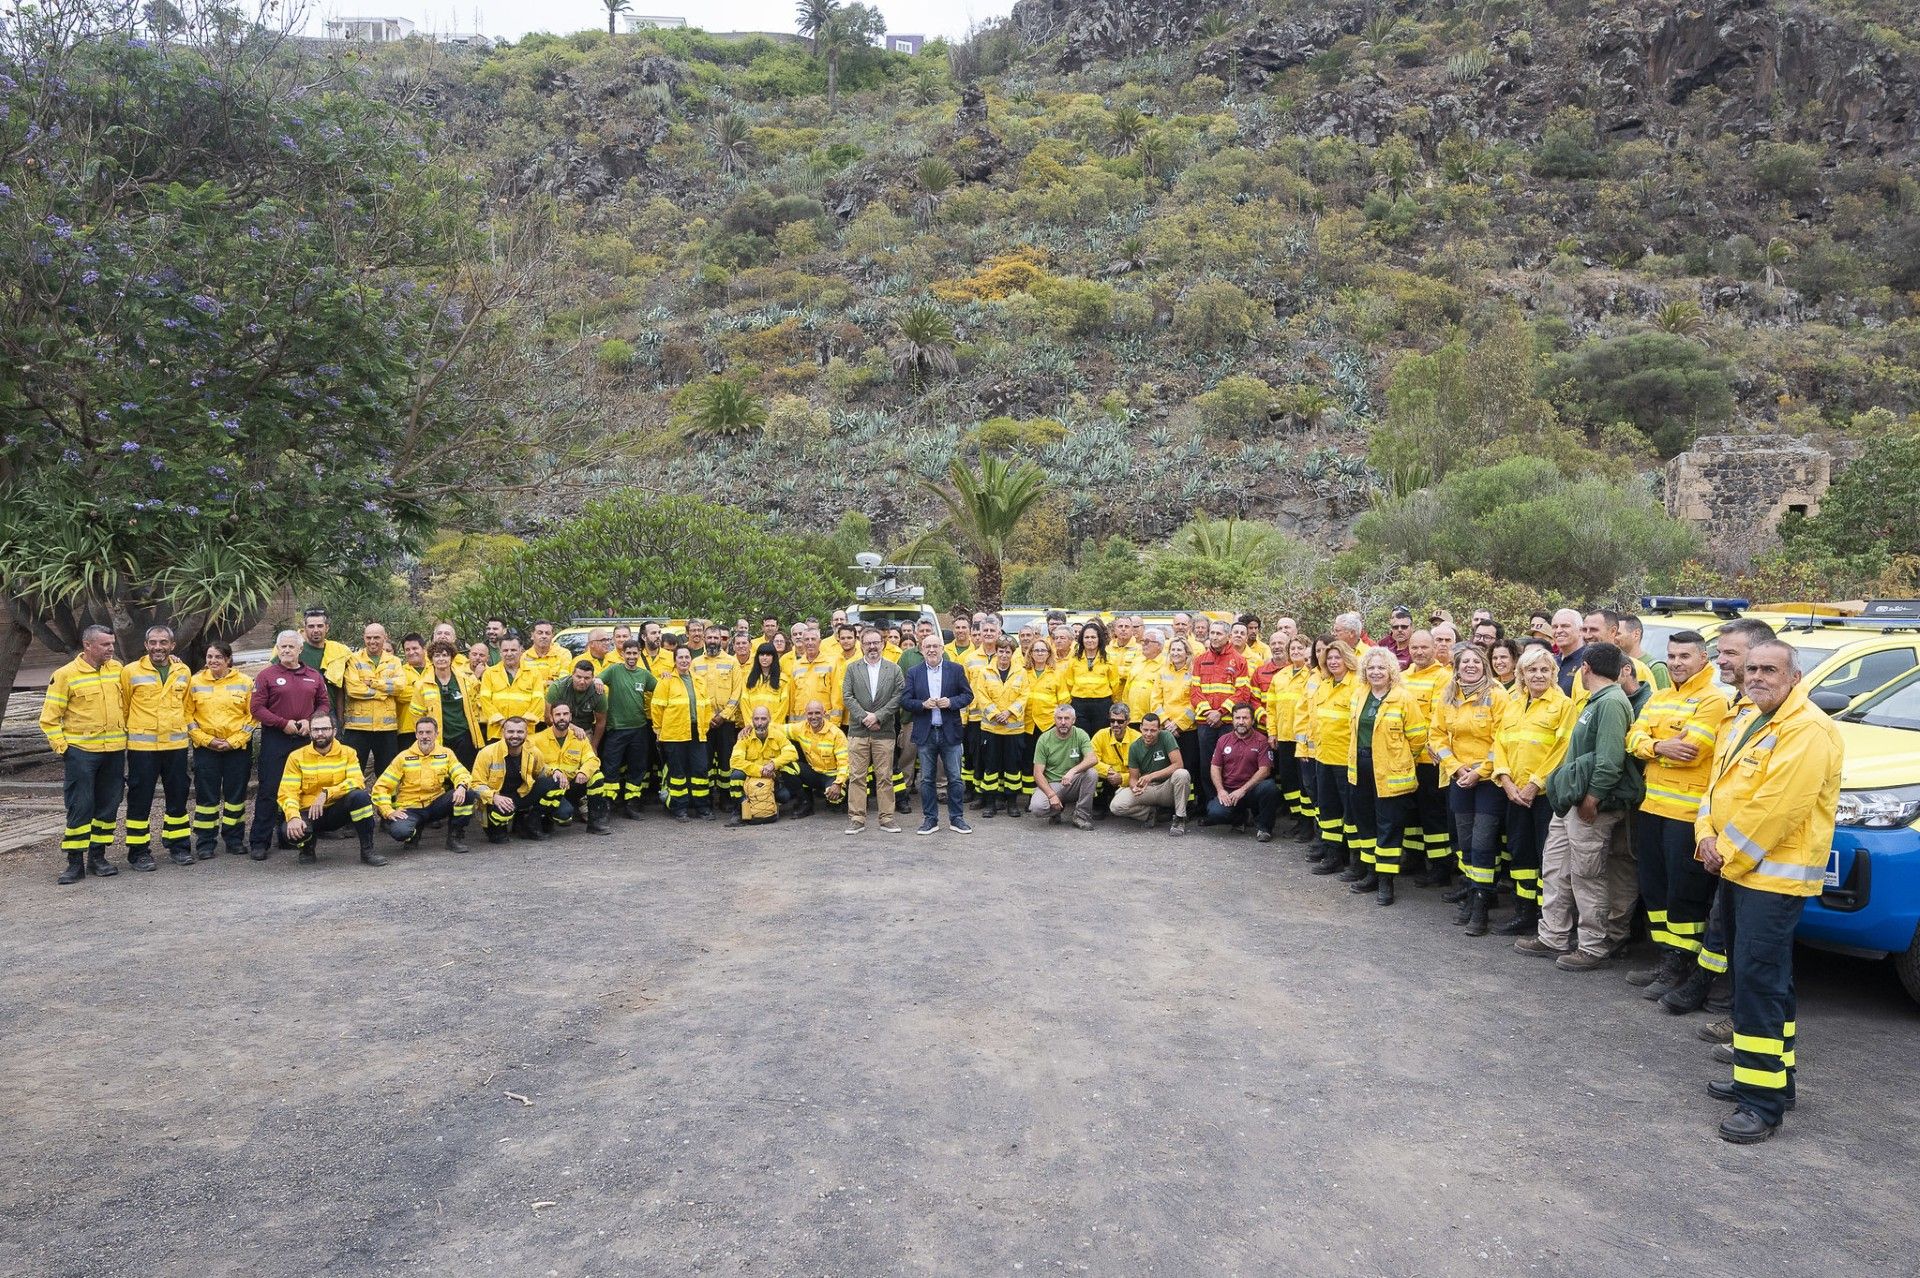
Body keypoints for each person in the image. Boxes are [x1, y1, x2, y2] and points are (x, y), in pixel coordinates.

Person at [1693, 640, 1842, 1143]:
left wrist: (1723, 851)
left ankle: (1760, 1103)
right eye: (1751, 668)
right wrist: (1705, 836)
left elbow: (1778, 809)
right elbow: (1714, 790)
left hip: (1774, 880)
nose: (1756, 676)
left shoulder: (1807, 729)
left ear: (1794, 675)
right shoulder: (1746, 719)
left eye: (1768, 669)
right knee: (1766, 978)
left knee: (1758, 983)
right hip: (1740, 872)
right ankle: (1776, 1080)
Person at [1659, 616, 1779, 1019]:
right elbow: (1718, 783)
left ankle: (1729, 1004)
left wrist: (1724, 846)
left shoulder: (1792, 721)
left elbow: (1773, 802)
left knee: (1752, 941)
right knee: (1719, 923)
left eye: (1731, 653)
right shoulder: (1739, 710)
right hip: (1722, 842)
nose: (1721, 661)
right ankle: (1708, 986)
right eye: (1720, 652)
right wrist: (1707, 834)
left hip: (1755, 850)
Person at [1515, 642, 1643, 971]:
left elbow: (1610, 761)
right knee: (1556, 867)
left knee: (1588, 875)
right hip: (1571, 801)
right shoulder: (1595, 700)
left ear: (1585, 668)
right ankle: (1553, 934)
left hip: (1590, 805)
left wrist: (1592, 799)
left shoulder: (1612, 702)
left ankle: (1592, 945)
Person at [1624, 630, 1732, 998]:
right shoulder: (1659, 697)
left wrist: (1652, 744)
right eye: (1671, 656)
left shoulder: (1713, 701)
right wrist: (1657, 744)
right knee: (1654, 888)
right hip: (1652, 807)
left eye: (1684, 656)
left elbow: (1692, 750)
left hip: (1686, 814)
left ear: (1704, 659)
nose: (1676, 662)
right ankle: (1666, 956)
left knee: (1684, 892)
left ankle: (1682, 963)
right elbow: (1632, 739)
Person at [1489, 646, 1573, 933]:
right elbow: (1498, 744)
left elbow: (1563, 751)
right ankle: (1523, 912)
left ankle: (1545, 916)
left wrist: (1536, 783)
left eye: (1544, 670)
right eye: (1531, 670)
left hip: (1543, 797)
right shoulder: (1512, 705)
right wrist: (1506, 780)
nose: (1538, 675)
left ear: (1553, 673)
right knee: (1520, 853)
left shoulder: (1563, 706)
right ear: (1521, 675)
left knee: (1545, 857)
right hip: (1513, 793)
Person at [1430, 642, 1509, 935]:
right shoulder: (1448, 694)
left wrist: (1480, 772)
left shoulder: (1498, 695)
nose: (1471, 666)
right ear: (1457, 667)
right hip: (1459, 777)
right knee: (1464, 842)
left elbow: (1502, 740)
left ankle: (1481, 905)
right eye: (1465, 662)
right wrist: (1456, 767)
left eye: (1476, 661)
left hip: (1489, 782)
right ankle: (1472, 891)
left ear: (1484, 665)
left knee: (1483, 842)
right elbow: (1436, 735)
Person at [41, 624, 128, 884]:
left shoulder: (118, 669)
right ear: (88, 645)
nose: (111, 648)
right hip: (81, 754)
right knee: (80, 807)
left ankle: (98, 858)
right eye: (105, 645)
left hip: (113, 752)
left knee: (108, 806)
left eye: (112, 644)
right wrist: (64, 749)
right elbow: (49, 719)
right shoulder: (65, 674)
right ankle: (74, 862)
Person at [1345, 647, 1429, 902]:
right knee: (1366, 822)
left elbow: (1417, 738)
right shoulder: (1360, 694)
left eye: (1381, 667)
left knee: (1388, 826)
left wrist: (1401, 760)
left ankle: (1386, 880)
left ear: (1391, 670)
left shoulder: (1403, 698)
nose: (1376, 672)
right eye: (1371, 668)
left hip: (1390, 772)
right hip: (1360, 767)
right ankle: (1371, 873)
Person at [248, 630, 331, 860]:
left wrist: (311, 720)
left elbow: (324, 704)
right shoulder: (266, 675)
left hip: (305, 739)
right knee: (269, 790)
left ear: (300, 649)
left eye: (290, 647)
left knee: (302, 788)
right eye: (282, 647)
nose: (286, 651)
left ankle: (291, 837)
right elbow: (256, 708)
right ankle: (259, 841)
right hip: (277, 738)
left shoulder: (314, 676)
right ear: (277, 649)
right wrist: (282, 723)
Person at [121, 623, 194, 868]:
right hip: (143, 749)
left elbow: (186, 706)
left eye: (163, 643)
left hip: (175, 746)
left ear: (172, 645)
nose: (158, 647)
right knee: (140, 799)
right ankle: (138, 852)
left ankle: (179, 846)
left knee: (178, 795)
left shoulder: (183, 671)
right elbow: (124, 706)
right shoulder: (130, 671)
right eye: (153, 643)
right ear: (146, 645)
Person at [276, 713, 383, 866]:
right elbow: (288, 792)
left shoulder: (348, 752)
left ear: (334, 731)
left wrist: (326, 793)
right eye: (316, 729)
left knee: (360, 797)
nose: (320, 733)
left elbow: (357, 781)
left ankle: (367, 851)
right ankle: (306, 847)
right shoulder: (296, 757)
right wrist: (293, 817)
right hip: (308, 812)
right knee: (289, 831)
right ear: (310, 732)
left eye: (325, 729)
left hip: (336, 812)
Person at [187, 641, 256, 860]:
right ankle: (205, 843)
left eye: (218, 657)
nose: (213, 661)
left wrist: (234, 741)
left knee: (236, 796)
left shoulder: (245, 682)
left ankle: (234, 840)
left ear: (228, 659)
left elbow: (252, 716)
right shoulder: (195, 682)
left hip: (236, 748)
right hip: (206, 748)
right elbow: (188, 715)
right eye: (209, 657)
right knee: (207, 797)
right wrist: (206, 740)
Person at [903, 632, 974, 835]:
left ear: (942, 649)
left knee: (955, 777)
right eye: (928, 647)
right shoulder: (914, 672)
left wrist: (951, 702)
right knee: (926, 779)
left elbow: (968, 695)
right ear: (922, 649)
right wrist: (922, 705)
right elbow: (905, 700)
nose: (932, 650)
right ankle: (930, 819)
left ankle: (957, 818)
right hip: (926, 732)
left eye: (936, 646)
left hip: (949, 731)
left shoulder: (955, 669)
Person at [370, 717, 474, 853]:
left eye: (428, 732)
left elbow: (461, 773)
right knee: (400, 832)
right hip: (411, 808)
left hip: (436, 804)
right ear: (416, 734)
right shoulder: (403, 757)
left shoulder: (446, 754)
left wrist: (461, 786)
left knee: (468, 793)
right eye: (421, 733)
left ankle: (454, 838)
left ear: (436, 734)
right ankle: (413, 833)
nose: (424, 736)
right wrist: (388, 811)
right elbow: (382, 786)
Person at [1400, 629, 1454, 885]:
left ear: (1434, 649)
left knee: (1433, 814)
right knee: (1410, 813)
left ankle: (1440, 866)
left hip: (1428, 760)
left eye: (1424, 647)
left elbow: (1436, 718)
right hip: (1404, 758)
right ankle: (1413, 857)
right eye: (1414, 648)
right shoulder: (1401, 677)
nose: (1419, 652)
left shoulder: (1443, 678)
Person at [842, 628, 906, 834]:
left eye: (876, 642)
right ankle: (857, 818)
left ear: (883, 644)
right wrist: (865, 718)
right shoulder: (852, 669)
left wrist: (878, 716)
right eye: (868, 643)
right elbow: (847, 697)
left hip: (884, 731)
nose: (872, 647)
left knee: (885, 777)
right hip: (858, 732)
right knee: (857, 776)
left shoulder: (894, 669)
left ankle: (887, 818)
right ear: (861, 645)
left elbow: (898, 696)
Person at [1308, 640, 1359, 876]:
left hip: (1345, 761)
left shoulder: (1357, 686)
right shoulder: (1324, 685)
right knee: (1328, 811)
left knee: (1350, 812)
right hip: (1323, 757)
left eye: (1338, 657)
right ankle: (1333, 855)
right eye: (1329, 658)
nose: (1333, 662)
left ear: (1347, 659)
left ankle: (1355, 860)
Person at [1190, 621, 1250, 812]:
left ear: (1228, 637)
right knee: (1207, 765)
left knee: (1232, 766)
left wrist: (1221, 712)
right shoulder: (1200, 660)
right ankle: (1211, 807)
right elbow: (1194, 691)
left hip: (1227, 723)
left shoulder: (1239, 661)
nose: (1214, 637)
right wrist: (1209, 712)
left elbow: (1243, 692)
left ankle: (1235, 809)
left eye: (1218, 633)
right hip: (1206, 722)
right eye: (1212, 633)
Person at [469, 716, 558, 843]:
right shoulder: (487, 753)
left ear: (527, 733)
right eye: (511, 732)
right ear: (503, 732)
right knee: (499, 840)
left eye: (520, 732)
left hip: (519, 796)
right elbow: (475, 784)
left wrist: (555, 771)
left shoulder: (533, 752)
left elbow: (542, 772)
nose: (515, 735)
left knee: (555, 782)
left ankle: (531, 823)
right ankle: (498, 828)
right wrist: (494, 797)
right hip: (495, 801)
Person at [651, 645, 711, 821]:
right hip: (674, 734)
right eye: (680, 658)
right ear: (675, 661)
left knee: (700, 770)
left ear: (691, 660)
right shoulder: (666, 681)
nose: (684, 660)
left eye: (687, 657)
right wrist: (659, 731)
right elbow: (657, 708)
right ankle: (680, 808)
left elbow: (706, 707)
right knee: (678, 773)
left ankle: (702, 807)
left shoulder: (699, 680)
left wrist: (705, 727)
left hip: (697, 732)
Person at [340, 622, 406, 782]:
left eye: (376, 637)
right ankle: (353, 806)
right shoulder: (354, 660)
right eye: (368, 637)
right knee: (352, 773)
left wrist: (375, 683)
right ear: (364, 638)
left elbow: (400, 686)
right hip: (357, 728)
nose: (372, 641)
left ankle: (387, 807)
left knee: (388, 775)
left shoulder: (394, 661)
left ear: (385, 638)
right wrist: (382, 693)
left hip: (386, 728)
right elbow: (353, 689)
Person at [600, 640, 659, 818]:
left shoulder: (644, 674)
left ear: (639, 653)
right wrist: (597, 682)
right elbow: (597, 679)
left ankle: (632, 803)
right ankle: (608, 803)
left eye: (635, 653)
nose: (632, 657)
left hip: (639, 728)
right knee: (611, 766)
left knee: (638, 767)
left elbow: (661, 690)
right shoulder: (614, 670)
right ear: (623, 654)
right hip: (616, 728)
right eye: (629, 653)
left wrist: (667, 677)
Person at [1264, 635, 1314, 841]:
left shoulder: (1311, 675)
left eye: (1299, 648)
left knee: (1305, 783)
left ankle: (1309, 824)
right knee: (1289, 781)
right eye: (1291, 648)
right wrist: (1272, 732)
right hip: (1284, 737)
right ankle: (1298, 818)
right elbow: (1271, 708)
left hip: (1303, 739)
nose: (1295, 651)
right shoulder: (1280, 676)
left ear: (1306, 651)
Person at [533, 702, 611, 834]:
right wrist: (553, 771)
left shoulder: (580, 738)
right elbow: (532, 765)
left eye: (565, 714)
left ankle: (596, 822)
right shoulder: (537, 739)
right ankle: (545, 818)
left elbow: (592, 759)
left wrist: (584, 771)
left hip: (571, 786)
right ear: (551, 718)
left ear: (570, 717)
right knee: (564, 816)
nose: (562, 717)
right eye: (558, 714)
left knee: (596, 775)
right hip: (549, 787)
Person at [973, 638, 1030, 820]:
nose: (1004, 655)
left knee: (1012, 768)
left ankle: (1011, 803)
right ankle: (990, 804)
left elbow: (1024, 696)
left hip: (1013, 730)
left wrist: (1009, 712)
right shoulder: (985, 672)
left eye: (1008, 652)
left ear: (1013, 654)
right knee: (991, 767)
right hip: (991, 728)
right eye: (1001, 651)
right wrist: (996, 713)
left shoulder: (1021, 673)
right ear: (996, 652)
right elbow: (981, 695)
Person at [1206, 704, 1280, 841]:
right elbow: (1215, 767)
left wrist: (1243, 790)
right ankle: (1240, 818)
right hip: (1230, 791)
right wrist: (1221, 790)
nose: (1241, 721)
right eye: (1237, 718)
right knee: (1215, 813)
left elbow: (1265, 770)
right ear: (1232, 720)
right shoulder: (1223, 740)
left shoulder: (1261, 741)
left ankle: (1264, 828)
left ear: (1252, 721)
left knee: (1270, 788)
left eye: (1245, 718)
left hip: (1252, 790)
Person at [1109, 711, 1188, 834]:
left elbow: (1178, 765)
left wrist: (1151, 776)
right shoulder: (1135, 747)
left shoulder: (1166, 736)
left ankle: (1179, 818)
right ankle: (1150, 813)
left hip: (1167, 788)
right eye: (1145, 730)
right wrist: (1135, 787)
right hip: (1147, 789)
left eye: (1153, 730)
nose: (1148, 734)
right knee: (1116, 806)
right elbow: (1133, 778)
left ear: (1159, 729)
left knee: (1182, 774)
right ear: (1140, 728)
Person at [410, 640, 484, 769]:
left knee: (465, 772)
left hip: (463, 735)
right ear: (431, 659)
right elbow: (417, 714)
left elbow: (475, 706)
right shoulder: (421, 684)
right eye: (437, 656)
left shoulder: (466, 680)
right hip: (439, 737)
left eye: (445, 655)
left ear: (451, 658)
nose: (441, 659)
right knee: (442, 775)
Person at [727, 704, 798, 827]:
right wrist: (760, 770)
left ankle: (769, 806)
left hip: (771, 778)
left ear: (769, 719)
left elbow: (792, 753)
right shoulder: (745, 737)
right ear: (752, 720)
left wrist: (773, 764)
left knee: (785, 796)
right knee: (736, 776)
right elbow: (735, 761)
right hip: (750, 779)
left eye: (763, 719)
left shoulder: (777, 735)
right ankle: (738, 810)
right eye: (756, 719)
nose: (760, 723)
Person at [1031, 705, 1097, 828]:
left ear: (1074, 720)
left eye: (1067, 718)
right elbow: (1037, 773)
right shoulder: (1044, 739)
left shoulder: (1080, 734)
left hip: (1073, 781)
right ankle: (1056, 811)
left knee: (1091, 773)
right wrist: (1051, 795)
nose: (1063, 722)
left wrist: (1073, 771)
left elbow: (1092, 759)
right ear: (1054, 719)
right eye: (1059, 718)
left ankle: (1081, 816)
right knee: (1037, 808)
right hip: (1052, 784)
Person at [789, 700, 849, 817]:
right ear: (806, 714)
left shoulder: (836, 733)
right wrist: (751, 727)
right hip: (815, 773)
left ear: (824, 713)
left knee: (835, 800)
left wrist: (838, 783)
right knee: (788, 768)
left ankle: (840, 798)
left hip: (833, 776)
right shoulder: (801, 728)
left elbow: (845, 762)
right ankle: (805, 803)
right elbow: (778, 729)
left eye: (817, 713)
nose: (813, 717)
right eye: (810, 713)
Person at [479, 637, 544, 741]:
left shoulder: (534, 674)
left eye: (513, 650)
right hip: (497, 733)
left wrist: (520, 725)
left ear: (521, 651)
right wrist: (502, 722)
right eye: (505, 650)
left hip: (525, 734)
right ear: (500, 652)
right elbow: (485, 701)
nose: (509, 654)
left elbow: (538, 702)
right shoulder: (489, 674)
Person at [1065, 621, 1119, 745]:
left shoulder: (1109, 659)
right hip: (1079, 705)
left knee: (1099, 740)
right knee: (1081, 740)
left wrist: (1113, 704)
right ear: (1081, 639)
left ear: (1099, 639)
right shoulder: (1074, 660)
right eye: (1087, 637)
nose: (1090, 640)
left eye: (1093, 637)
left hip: (1102, 704)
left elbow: (1115, 685)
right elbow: (1068, 683)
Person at [299, 606, 352, 719]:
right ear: (304, 628)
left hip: (329, 713)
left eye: (320, 626)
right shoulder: (295, 651)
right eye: (311, 626)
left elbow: (339, 689)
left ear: (327, 628)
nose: (316, 630)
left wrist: (340, 718)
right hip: (301, 712)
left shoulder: (338, 651)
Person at [545, 660, 609, 751]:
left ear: (593, 678)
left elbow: (601, 722)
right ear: (572, 675)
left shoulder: (598, 692)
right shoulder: (557, 688)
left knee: (588, 759)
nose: (582, 681)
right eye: (578, 677)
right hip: (558, 728)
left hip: (585, 731)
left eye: (587, 678)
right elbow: (548, 718)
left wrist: (594, 746)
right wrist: (573, 728)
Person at [1090, 703, 1139, 814]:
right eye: (1112, 720)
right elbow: (1090, 759)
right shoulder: (1101, 735)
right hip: (1107, 778)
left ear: (1128, 721)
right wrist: (1108, 771)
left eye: (1120, 721)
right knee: (1091, 774)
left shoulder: (1137, 738)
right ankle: (1098, 804)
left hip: (1128, 780)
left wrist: (1122, 778)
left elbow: (1144, 769)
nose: (1115, 724)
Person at [1618, 615, 1670, 690]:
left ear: (1636, 634)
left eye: (1618, 634)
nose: (1614, 637)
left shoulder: (1657, 668)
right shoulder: (1615, 664)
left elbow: (1663, 699)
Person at [395, 633, 429, 739]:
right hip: (407, 729)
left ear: (424, 649)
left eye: (415, 648)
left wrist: (413, 688)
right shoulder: (399, 671)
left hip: (433, 728)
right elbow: (400, 694)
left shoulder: (435, 668)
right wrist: (427, 690)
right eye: (407, 649)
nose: (411, 652)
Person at [522, 620, 571, 688]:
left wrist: (537, 683)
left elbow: (563, 682)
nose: (544, 636)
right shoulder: (524, 657)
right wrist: (547, 683)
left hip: (555, 697)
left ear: (552, 636)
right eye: (540, 633)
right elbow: (525, 683)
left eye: (547, 633)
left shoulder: (563, 654)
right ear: (532, 636)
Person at [1550, 608, 1585, 693]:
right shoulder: (1550, 661)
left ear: (1580, 630)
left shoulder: (1589, 660)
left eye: (1565, 626)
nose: (1558, 631)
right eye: (1555, 627)